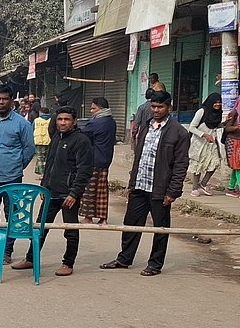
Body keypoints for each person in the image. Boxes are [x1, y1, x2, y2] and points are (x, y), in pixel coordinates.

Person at [101, 90, 190, 276]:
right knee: (131, 224)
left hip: (160, 189)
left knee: (160, 227)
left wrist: (173, 192)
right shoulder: (146, 126)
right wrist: (131, 183)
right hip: (140, 185)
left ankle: (155, 264)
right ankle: (124, 258)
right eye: (154, 106)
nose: (156, 110)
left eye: (160, 107)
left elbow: (181, 164)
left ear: (169, 108)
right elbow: (138, 158)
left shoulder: (179, 132)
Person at [14, 106, 92, 277]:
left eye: (66, 119)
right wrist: (44, 184)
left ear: (74, 121)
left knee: (70, 230)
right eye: (60, 119)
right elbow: (49, 165)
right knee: (40, 227)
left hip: (68, 195)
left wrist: (74, 193)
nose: (62, 122)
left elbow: (84, 170)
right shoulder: (56, 137)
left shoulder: (81, 141)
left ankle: (68, 263)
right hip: (51, 192)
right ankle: (31, 258)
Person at [0, 85, 36, 264]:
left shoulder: (22, 123)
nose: (1, 102)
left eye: (5, 99)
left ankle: (7, 250)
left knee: (11, 214)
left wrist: (17, 166)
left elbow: (29, 149)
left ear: (12, 102)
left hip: (11, 177)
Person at [80, 97, 116, 225]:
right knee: (102, 189)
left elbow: (83, 134)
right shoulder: (111, 121)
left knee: (89, 189)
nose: (91, 111)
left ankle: (88, 217)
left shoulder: (96, 123)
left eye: (93, 108)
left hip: (94, 160)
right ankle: (103, 218)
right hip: (106, 159)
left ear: (100, 108)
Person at [187, 93, 224, 196]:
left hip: (211, 143)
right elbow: (192, 127)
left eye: (219, 102)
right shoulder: (202, 112)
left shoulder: (218, 113)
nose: (217, 104)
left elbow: (216, 125)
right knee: (198, 164)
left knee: (215, 163)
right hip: (199, 143)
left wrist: (225, 124)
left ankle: (203, 183)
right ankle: (194, 187)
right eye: (215, 102)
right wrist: (204, 135)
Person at [130, 74, 165, 139]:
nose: (150, 80)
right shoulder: (154, 86)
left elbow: (137, 121)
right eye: (149, 79)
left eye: (152, 78)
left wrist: (134, 133)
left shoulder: (159, 86)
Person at [32, 110, 51, 175]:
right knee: (47, 158)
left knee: (40, 158)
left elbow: (32, 129)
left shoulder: (36, 120)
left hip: (38, 141)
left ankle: (43, 174)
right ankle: (41, 171)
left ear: (40, 112)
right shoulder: (51, 120)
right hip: (49, 141)